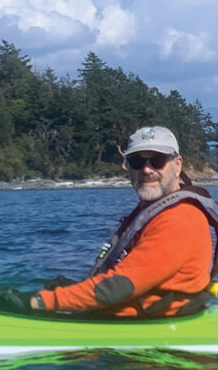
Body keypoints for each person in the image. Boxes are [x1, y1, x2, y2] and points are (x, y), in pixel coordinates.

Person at [19, 126, 218, 317]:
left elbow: (120, 286)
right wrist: (72, 291)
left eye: (157, 161)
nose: (147, 170)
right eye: (136, 162)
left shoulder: (179, 219)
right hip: (138, 316)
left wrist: (41, 301)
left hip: (154, 329)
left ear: (178, 166)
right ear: (128, 168)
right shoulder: (154, 211)